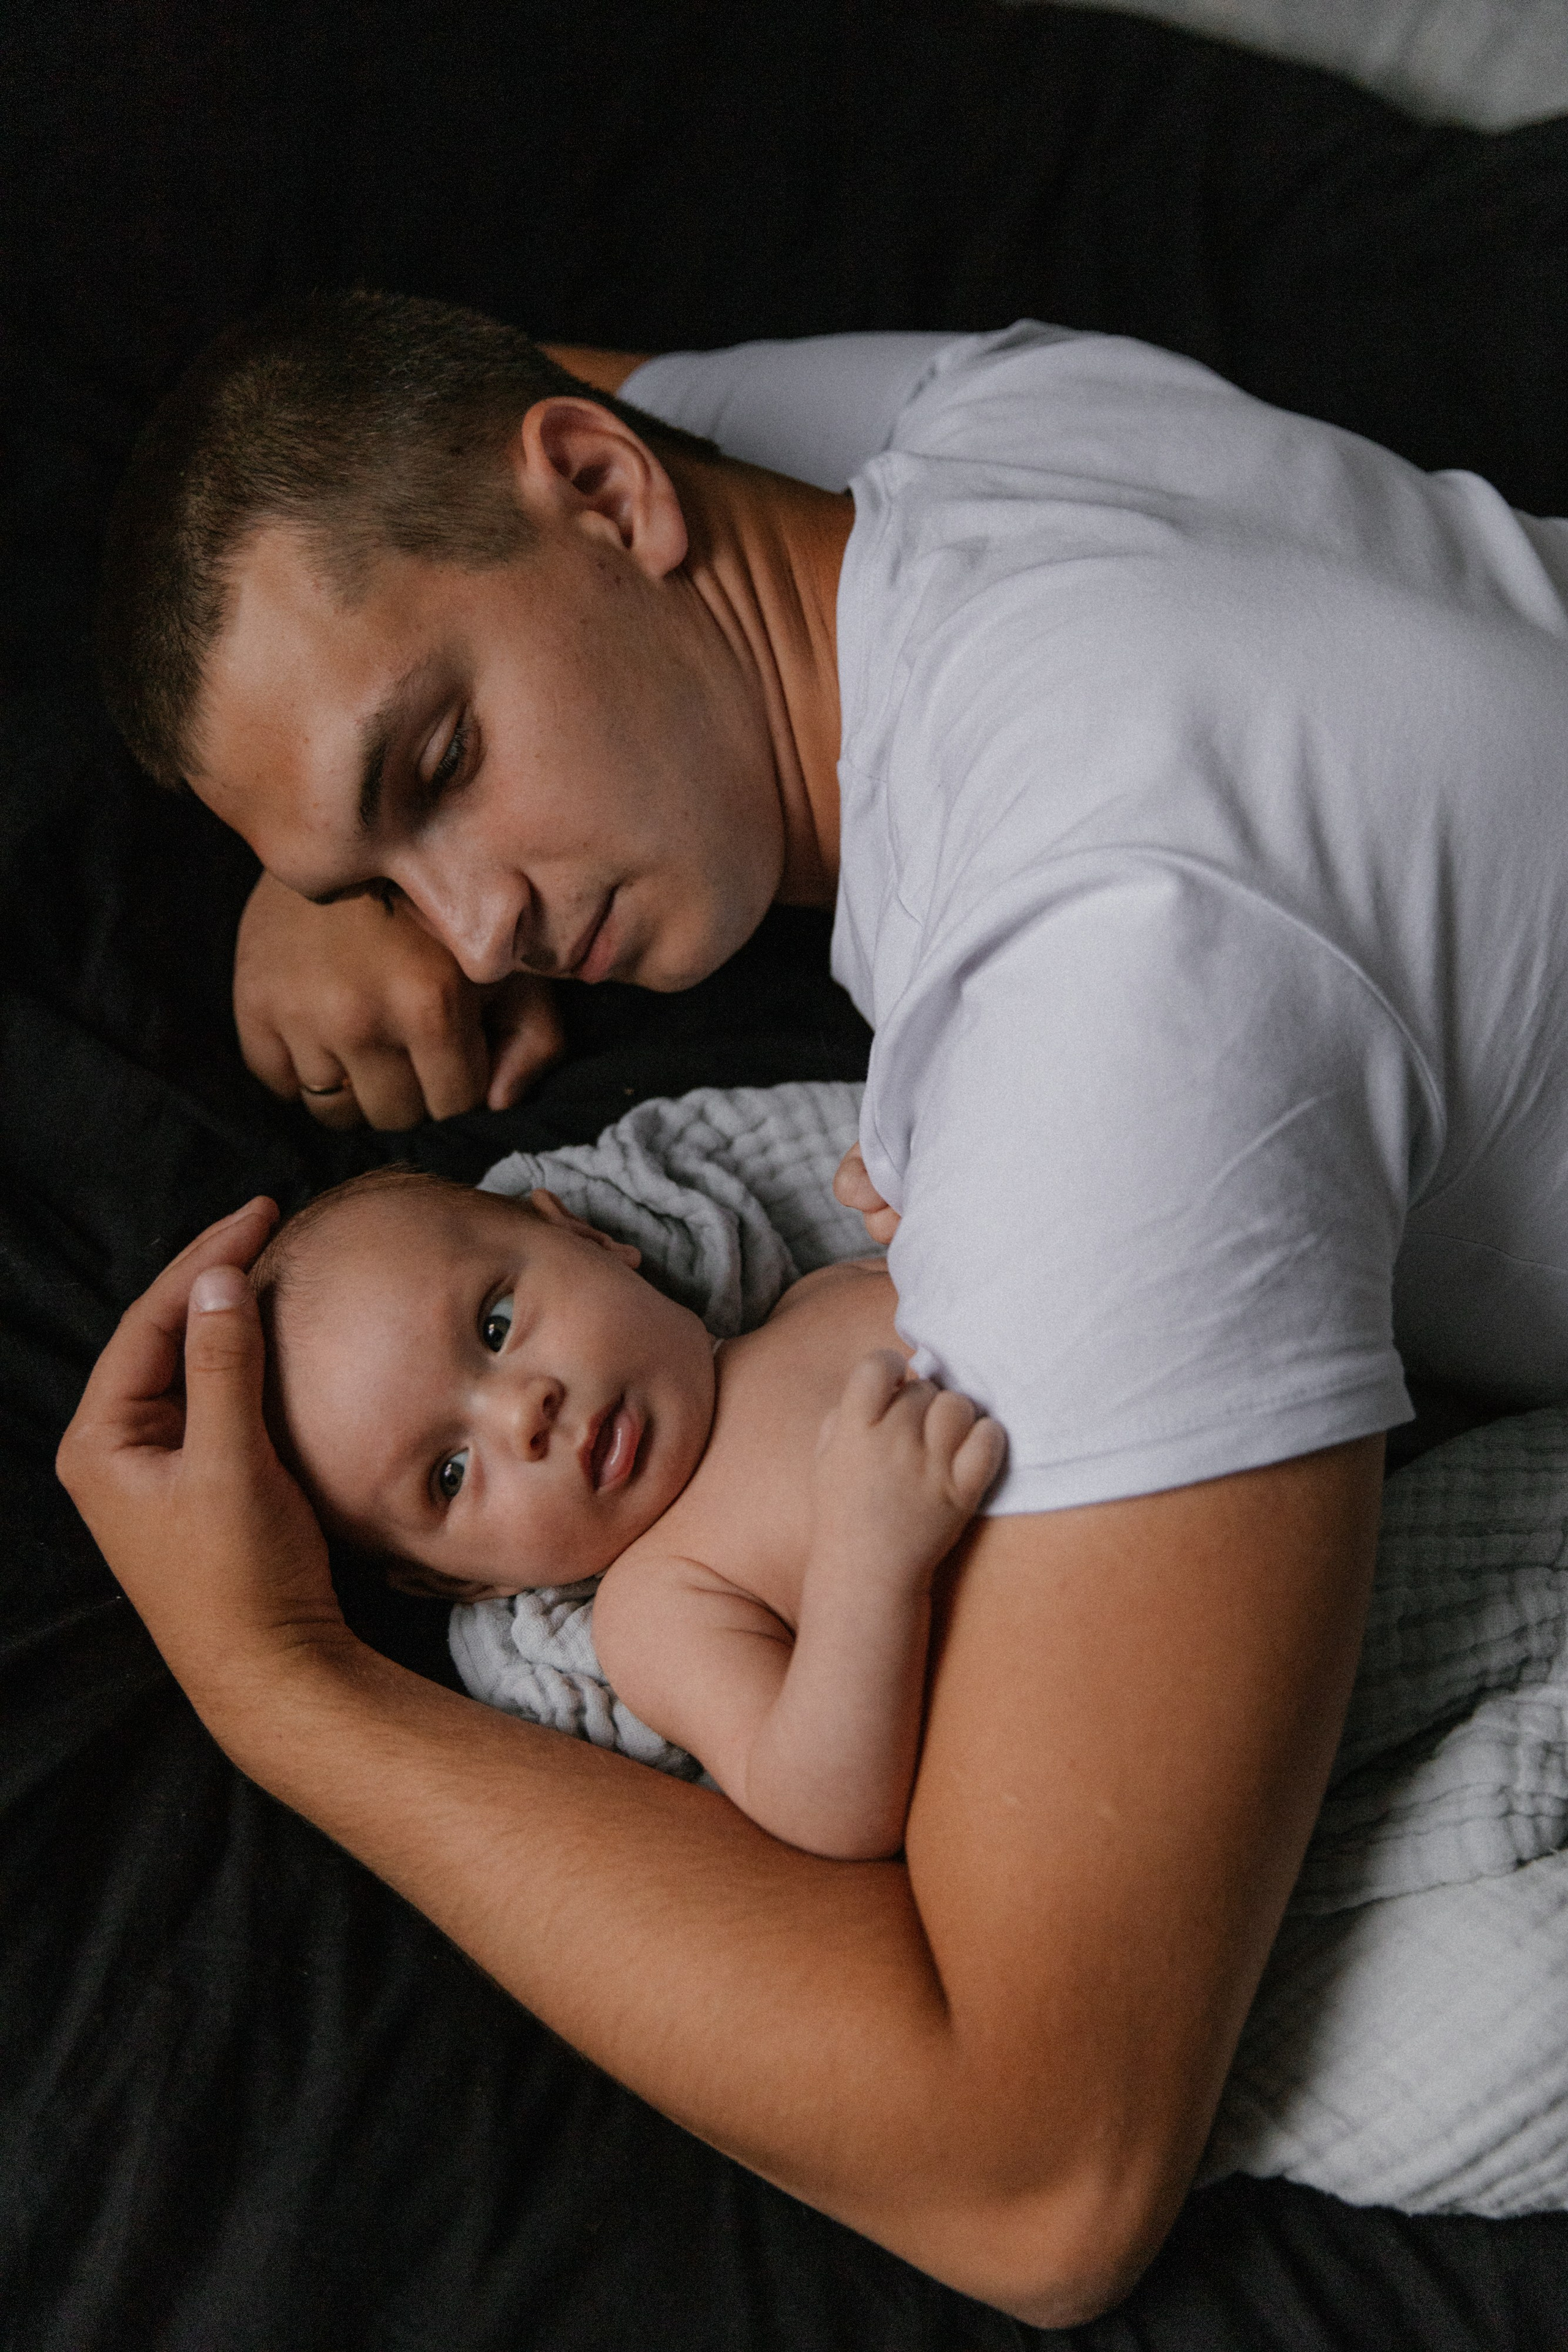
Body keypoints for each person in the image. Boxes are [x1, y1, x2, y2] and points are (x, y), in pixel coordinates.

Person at [57, 284, 1568, 2318]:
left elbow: (1043, 2183)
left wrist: (280, 1684)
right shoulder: (954, 424)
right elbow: (500, 382)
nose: (483, 927)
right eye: (383, 871)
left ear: (605, 500)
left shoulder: (1102, 997)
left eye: (443, 764)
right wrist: (314, 854)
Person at [252, 1166, 1005, 1860]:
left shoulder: (822, 1294)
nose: (523, 1414)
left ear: (588, 1238)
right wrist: (869, 1564)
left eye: (496, 1326)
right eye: (449, 1475)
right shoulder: (662, 1603)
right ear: (464, 1583)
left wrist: (930, 1182)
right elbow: (827, 1807)